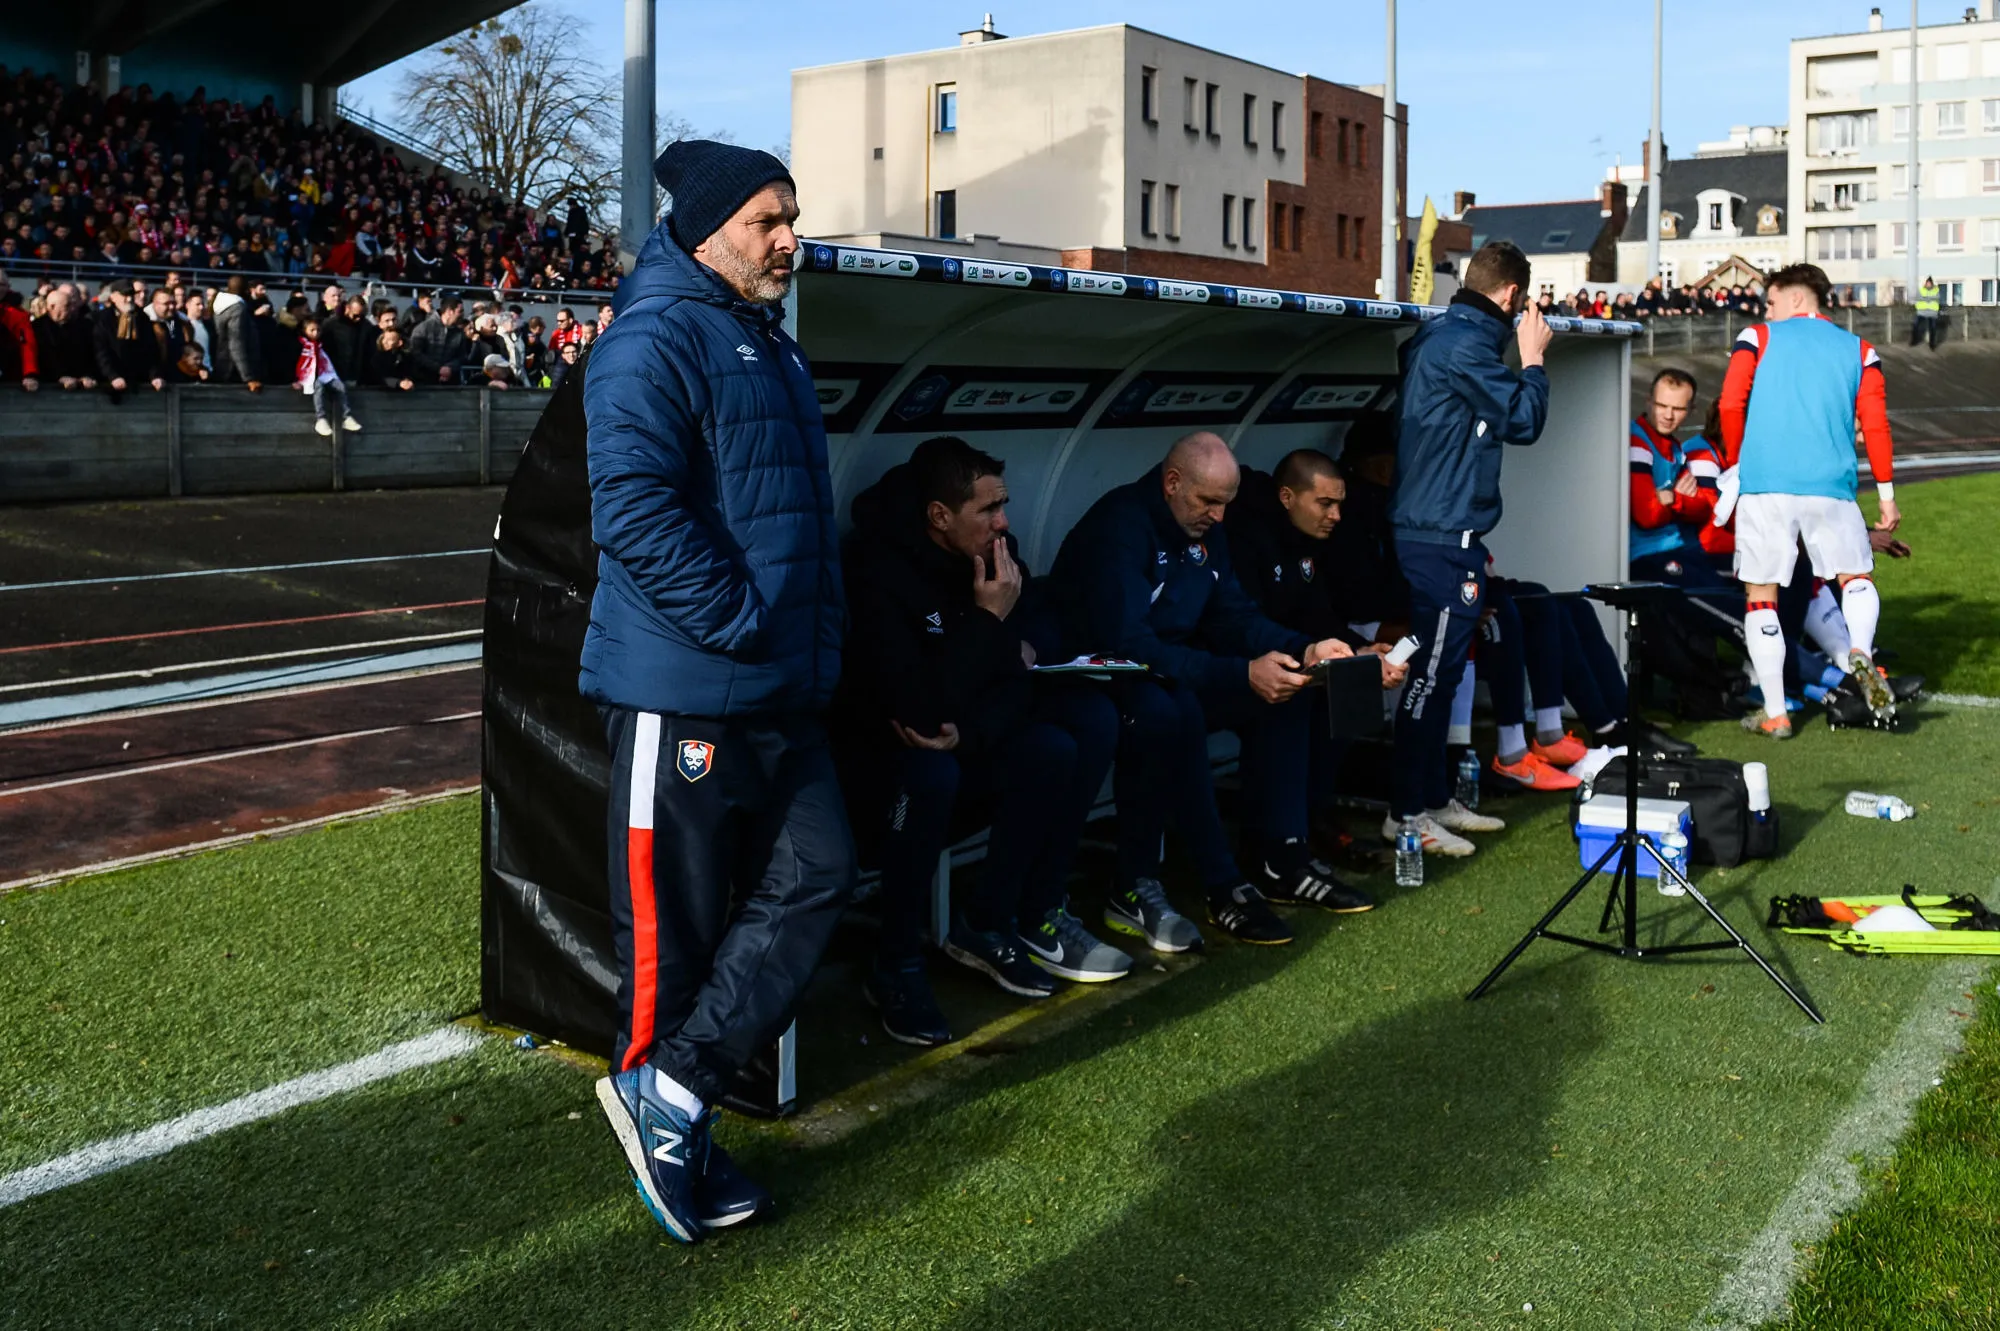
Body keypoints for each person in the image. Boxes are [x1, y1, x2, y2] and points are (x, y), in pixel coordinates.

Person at [583, 140, 849, 1245]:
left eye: (791, 216)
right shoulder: (655, 333)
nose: (788, 237)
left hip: (779, 689)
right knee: (671, 936)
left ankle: (677, 1093)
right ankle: (667, 1120)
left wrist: (803, 645)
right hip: (686, 691)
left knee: (821, 866)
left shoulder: (767, 344)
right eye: (765, 220)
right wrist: (744, 624)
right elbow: (633, 510)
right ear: (703, 229)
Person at [838, 437, 1130, 1047]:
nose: (1003, 522)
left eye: (1004, 504)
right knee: (928, 773)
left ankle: (992, 921)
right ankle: (896, 964)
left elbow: (1019, 679)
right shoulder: (876, 569)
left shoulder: (1000, 555)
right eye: (988, 509)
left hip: (964, 740)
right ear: (940, 516)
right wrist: (989, 625)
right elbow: (916, 707)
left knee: (1053, 745)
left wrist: (973, 726)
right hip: (874, 772)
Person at [1049, 432, 1370, 949]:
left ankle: (1281, 856)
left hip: (1171, 670)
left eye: (1226, 504)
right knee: (1173, 711)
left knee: (1289, 687)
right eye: (1209, 502)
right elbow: (1130, 646)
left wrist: (1305, 649)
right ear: (1172, 483)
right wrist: (1239, 673)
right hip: (1103, 677)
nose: (1219, 518)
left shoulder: (1205, 528)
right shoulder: (1120, 527)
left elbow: (1234, 615)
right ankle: (1208, 885)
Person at [1385, 240, 1551, 857]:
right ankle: (1406, 815)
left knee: (1443, 674)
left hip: (1443, 534)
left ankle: (1430, 799)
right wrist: (1532, 360)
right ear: (1511, 295)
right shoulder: (1462, 345)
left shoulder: (1447, 335)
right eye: (1522, 304)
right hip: (1437, 540)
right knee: (1428, 680)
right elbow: (1523, 421)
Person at [1718, 261, 1899, 736]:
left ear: (1797, 297)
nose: (1767, 310)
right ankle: (1859, 647)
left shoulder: (1757, 338)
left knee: (1761, 596)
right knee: (1854, 575)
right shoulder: (1861, 350)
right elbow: (1876, 425)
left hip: (1766, 486)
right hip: (1832, 485)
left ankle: (1775, 712)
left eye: (1771, 301)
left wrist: (1739, 463)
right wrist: (1886, 496)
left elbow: (1729, 403)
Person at [1228, 448, 1410, 859]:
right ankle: (1281, 838)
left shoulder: (1306, 543)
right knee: (1294, 699)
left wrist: (1361, 650)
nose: (1335, 516)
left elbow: (1319, 614)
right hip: (1239, 663)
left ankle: (1315, 815)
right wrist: (1308, 651)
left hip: (1290, 655)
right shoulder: (1247, 538)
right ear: (1288, 497)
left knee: (1346, 684)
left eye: (1339, 505)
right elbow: (1240, 625)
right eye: (1324, 503)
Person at [294, 314, 362, 437]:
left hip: (325, 374)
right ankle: (321, 418)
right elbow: (298, 363)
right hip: (310, 377)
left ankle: (346, 416)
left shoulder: (323, 345)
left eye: (318, 330)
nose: (315, 333)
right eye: (312, 330)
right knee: (318, 388)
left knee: (340, 386)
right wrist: (296, 380)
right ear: (305, 331)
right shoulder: (301, 345)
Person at [31, 286, 96, 390]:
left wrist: (86, 375)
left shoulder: (80, 326)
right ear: (52, 307)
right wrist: (59, 376)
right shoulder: (37, 328)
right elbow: (43, 357)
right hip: (47, 387)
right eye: (67, 306)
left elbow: (86, 354)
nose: (72, 309)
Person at [211, 274, 262, 390]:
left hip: (223, 367)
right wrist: (248, 377)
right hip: (233, 371)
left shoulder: (219, 306)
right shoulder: (237, 309)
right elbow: (236, 343)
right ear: (245, 290)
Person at [409, 293, 469, 383]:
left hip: (450, 382)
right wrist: (438, 369)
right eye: (460, 311)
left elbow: (462, 356)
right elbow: (416, 353)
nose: (462, 315)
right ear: (449, 311)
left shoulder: (459, 333)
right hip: (424, 381)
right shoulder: (423, 328)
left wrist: (449, 368)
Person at [1910, 276, 1941, 351]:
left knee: (1932, 328)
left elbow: (1937, 298)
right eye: (1927, 283)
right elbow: (1917, 298)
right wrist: (1929, 299)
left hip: (1932, 313)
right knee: (1915, 326)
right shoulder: (1921, 290)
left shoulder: (1936, 291)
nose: (1928, 285)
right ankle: (1914, 341)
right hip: (1921, 312)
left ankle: (1932, 344)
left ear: (1932, 284)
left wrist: (1925, 298)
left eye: (1929, 283)